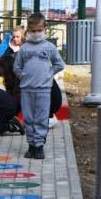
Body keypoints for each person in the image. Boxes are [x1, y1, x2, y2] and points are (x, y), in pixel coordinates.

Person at [13, 13, 64, 159]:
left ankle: (39, 146)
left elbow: (59, 64)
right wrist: (23, 76)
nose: (36, 33)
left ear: (44, 29)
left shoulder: (49, 47)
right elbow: (17, 67)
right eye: (33, 31)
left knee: (41, 118)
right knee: (28, 117)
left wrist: (49, 74)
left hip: (44, 89)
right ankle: (31, 145)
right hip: (27, 89)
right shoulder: (24, 48)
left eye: (39, 30)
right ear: (28, 31)